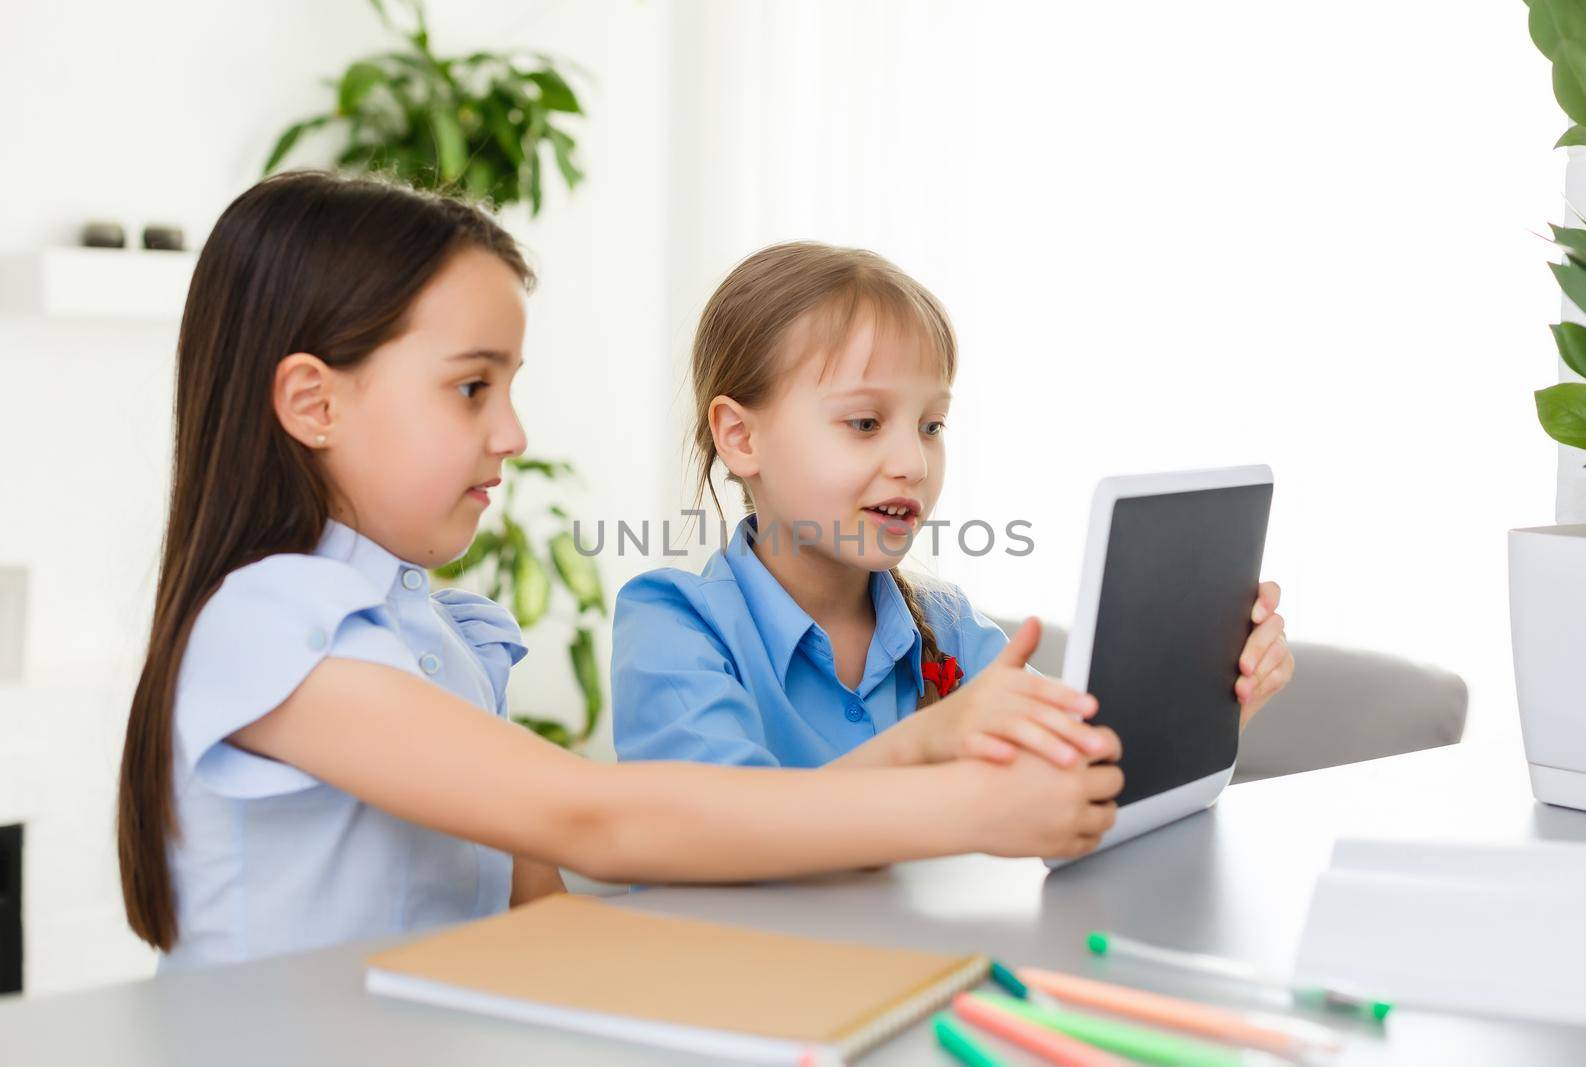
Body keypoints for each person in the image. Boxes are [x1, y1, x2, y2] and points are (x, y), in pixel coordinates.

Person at [116, 174, 1124, 971]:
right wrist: (954, 802)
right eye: (472, 387)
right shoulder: (263, 626)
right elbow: (593, 816)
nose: (511, 433)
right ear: (313, 401)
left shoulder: (427, 632)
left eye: (509, 387)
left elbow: (539, 914)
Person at [612, 241, 1292, 771]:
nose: (913, 462)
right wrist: (928, 745)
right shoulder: (675, 627)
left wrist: (1214, 699)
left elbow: (1079, 779)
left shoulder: (949, 628)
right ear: (741, 437)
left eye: (931, 425)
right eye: (865, 423)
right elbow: (727, 830)